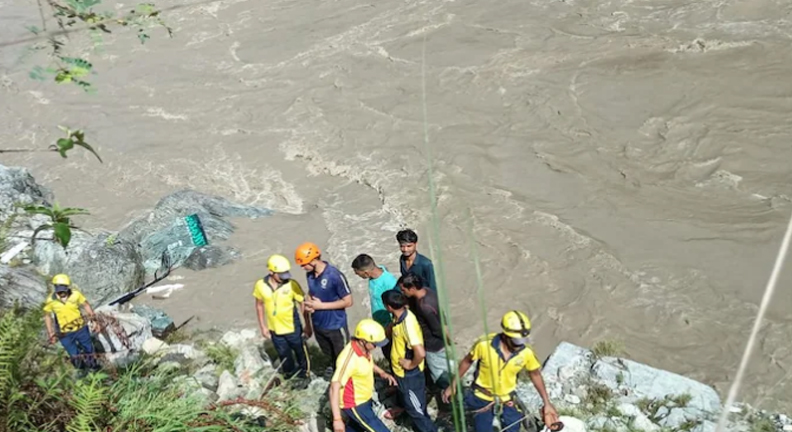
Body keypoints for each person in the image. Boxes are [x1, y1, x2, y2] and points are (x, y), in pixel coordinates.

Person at [442, 311, 559, 432]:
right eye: (516, 342)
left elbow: (535, 374)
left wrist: (547, 403)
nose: (519, 346)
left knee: (513, 428)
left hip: (507, 398)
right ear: (505, 335)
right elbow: (467, 361)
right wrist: (453, 384)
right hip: (482, 397)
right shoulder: (484, 345)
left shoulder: (526, 352)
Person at [296, 242, 353, 377]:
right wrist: (309, 304)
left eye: (304, 264)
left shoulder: (334, 276)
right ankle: (333, 369)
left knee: (343, 356)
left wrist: (321, 306)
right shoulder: (310, 275)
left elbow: (348, 301)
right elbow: (312, 293)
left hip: (335, 325)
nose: (303, 268)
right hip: (319, 324)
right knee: (328, 352)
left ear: (314, 260)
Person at [382, 290, 437, 432]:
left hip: (409, 375)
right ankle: (405, 408)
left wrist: (410, 364)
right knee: (410, 401)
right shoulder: (399, 315)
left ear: (389, 307)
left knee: (416, 410)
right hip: (401, 373)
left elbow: (420, 353)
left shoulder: (408, 325)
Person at [330, 319, 397, 432]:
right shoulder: (348, 360)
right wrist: (337, 419)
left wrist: (381, 372)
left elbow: (367, 362)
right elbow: (334, 387)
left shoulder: (363, 350)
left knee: (357, 426)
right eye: (375, 344)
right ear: (362, 341)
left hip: (364, 397)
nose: (376, 347)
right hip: (354, 404)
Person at [253, 254, 310, 381]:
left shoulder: (292, 284)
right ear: (271, 272)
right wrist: (263, 327)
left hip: (293, 327)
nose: (285, 277)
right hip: (275, 329)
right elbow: (259, 305)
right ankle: (290, 376)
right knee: (284, 355)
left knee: (301, 352)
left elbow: (303, 303)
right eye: (281, 275)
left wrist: (307, 326)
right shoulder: (260, 285)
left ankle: (305, 375)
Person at [398, 273, 452, 391]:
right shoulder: (428, 291)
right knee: (448, 368)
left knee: (439, 376)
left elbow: (437, 330)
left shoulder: (425, 307)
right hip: (439, 344)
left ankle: (448, 395)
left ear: (412, 288)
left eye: (403, 290)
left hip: (433, 346)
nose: (403, 293)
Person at [43, 274, 100, 372]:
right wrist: (51, 333)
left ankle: (94, 368)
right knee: (74, 355)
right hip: (64, 334)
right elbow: (47, 316)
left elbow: (86, 305)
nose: (62, 293)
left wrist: (94, 320)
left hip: (81, 329)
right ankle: (82, 370)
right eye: (59, 290)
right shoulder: (50, 301)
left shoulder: (76, 294)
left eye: (63, 290)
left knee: (89, 349)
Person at [351, 253, 398, 363]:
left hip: (389, 327)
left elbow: (398, 307)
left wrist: (390, 327)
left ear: (366, 272)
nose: (358, 276)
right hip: (379, 326)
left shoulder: (389, 282)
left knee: (393, 357)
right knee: (387, 355)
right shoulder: (374, 275)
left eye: (358, 274)